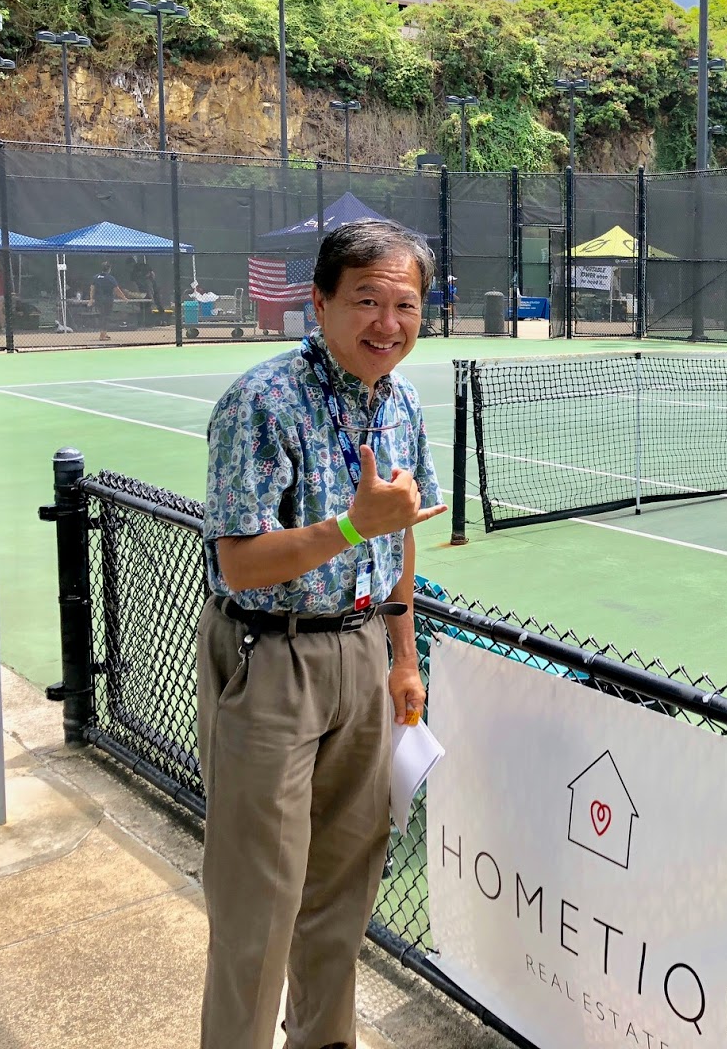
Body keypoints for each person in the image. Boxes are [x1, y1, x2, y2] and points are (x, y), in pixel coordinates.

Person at [198, 219, 447, 1049]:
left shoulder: (403, 399)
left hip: (365, 654)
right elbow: (239, 563)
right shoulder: (260, 401)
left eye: (405, 304)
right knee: (258, 905)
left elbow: (401, 537)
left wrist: (403, 658)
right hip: (271, 659)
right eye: (367, 300)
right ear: (319, 303)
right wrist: (348, 528)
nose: (388, 323)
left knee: (344, 890)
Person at [91, 260, 126, 342]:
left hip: (98, 300)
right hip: (107, 300)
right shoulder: (110, 278)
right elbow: (116, 290)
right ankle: (102, 335)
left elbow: (92, 288)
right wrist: (124, 297)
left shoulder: (96, 277)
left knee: (102, 316)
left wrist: (91, 298)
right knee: (105, 317)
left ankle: (104, 333)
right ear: (109, 269)